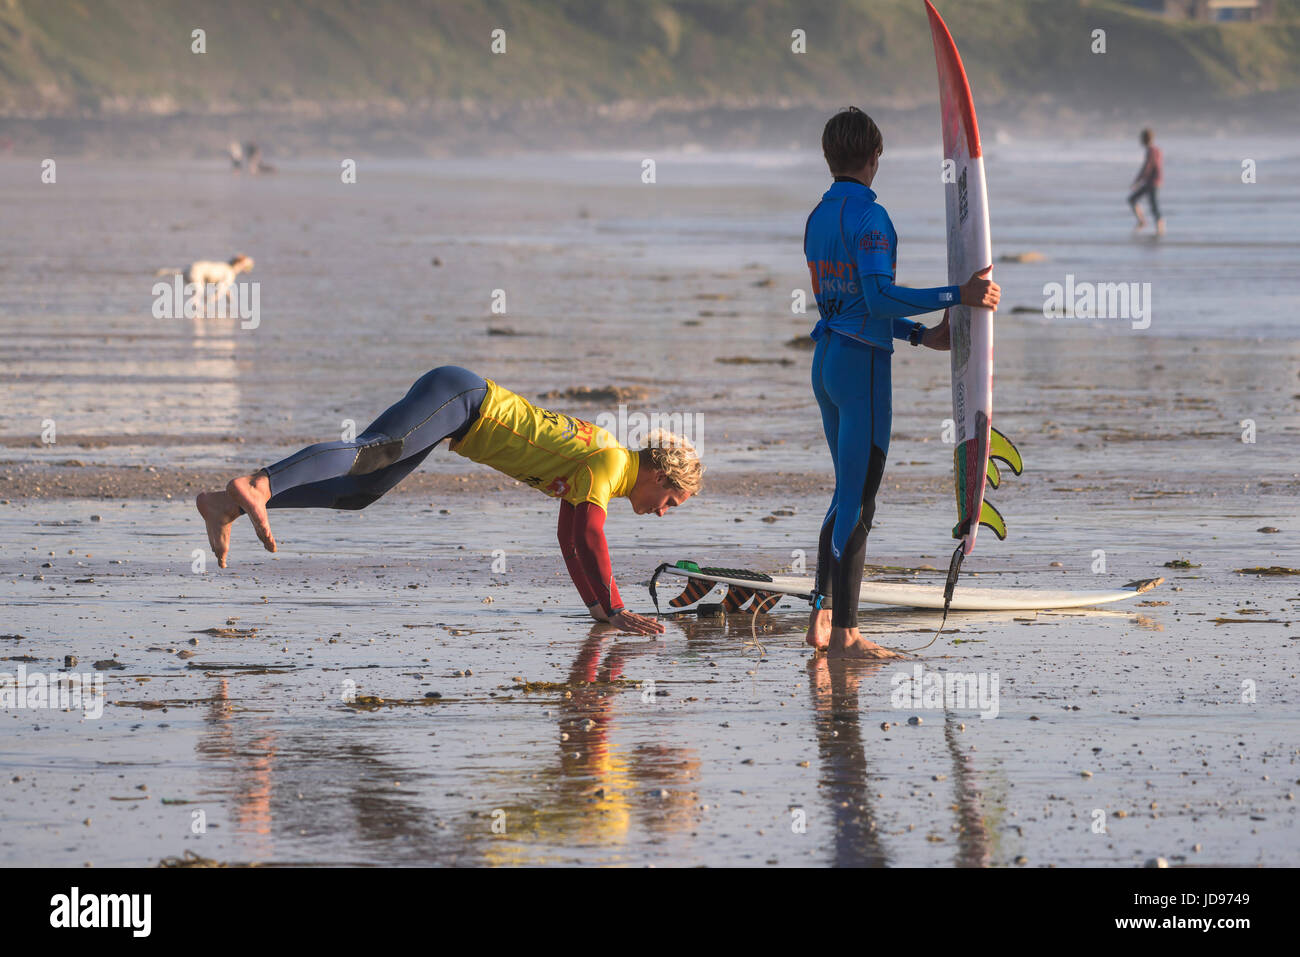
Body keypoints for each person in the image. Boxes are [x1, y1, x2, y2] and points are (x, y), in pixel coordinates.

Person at [194, 366, 702, 636]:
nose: (662, 512)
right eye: (670, 501)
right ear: (659, 474)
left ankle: (227, 505)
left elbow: (569, 535)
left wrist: (597, 608)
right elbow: (589, 534)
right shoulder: (612, 463)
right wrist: (615, 606)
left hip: (459, 415)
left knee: (360, 492)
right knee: (374, 454)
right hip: (462, 398)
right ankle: (258, 484)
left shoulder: (604, 472)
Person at [803, 107, 1000, 659]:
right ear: (875, 158)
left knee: (845, 496)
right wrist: (956, 295)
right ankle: (846, 633)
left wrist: (918, 337)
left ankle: (820, 620)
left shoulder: (817, 217)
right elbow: (877, 299)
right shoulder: (872, 218)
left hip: (827, 364)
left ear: (828, 157)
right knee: (859, 505)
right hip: (863, 368)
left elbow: (845, 304)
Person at [1128, 128, 1164, 236]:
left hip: (1152, 182)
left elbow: (1147, 168)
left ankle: (1158, 228)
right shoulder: (1157, 150)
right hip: (1154, 181)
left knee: (1153, 205)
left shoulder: (1151, 151)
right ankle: (1144, 222)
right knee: (1136, 200)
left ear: (1144, 139)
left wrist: (1137, 181)